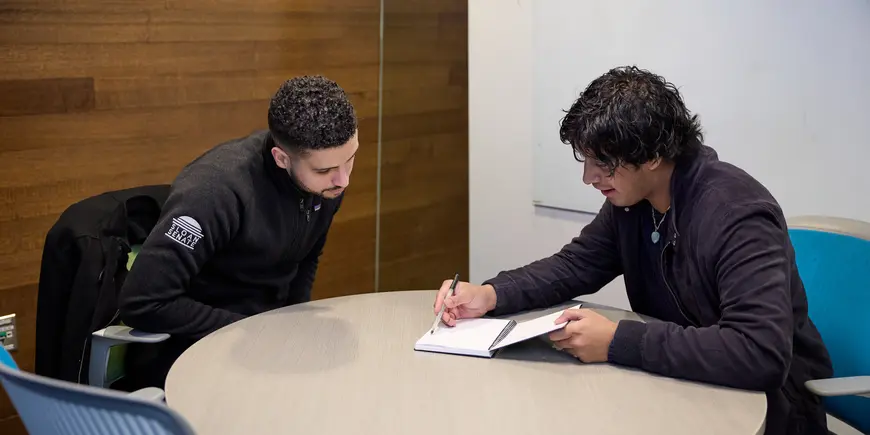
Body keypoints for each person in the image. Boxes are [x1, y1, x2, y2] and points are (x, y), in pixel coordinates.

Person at [433, 66, 833, 435]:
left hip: (770, 412)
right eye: (586, 159)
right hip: (682, 387)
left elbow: (759, 352)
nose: (588, 177)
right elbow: (575, 265)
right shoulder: (633, 203)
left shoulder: (736, 215)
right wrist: (491, 294)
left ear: (654, 156)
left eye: (602, 163)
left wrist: (618, 342)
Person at [116, 75, 358, 389]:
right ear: (281, 158)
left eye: (350, 160)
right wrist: (252, 328)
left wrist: (294, 325)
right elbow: (143, 302)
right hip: (191, 349)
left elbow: (307, 256)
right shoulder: (214, 193)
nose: (343, 180)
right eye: (324, 170)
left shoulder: (328, 185)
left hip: (266, 336)